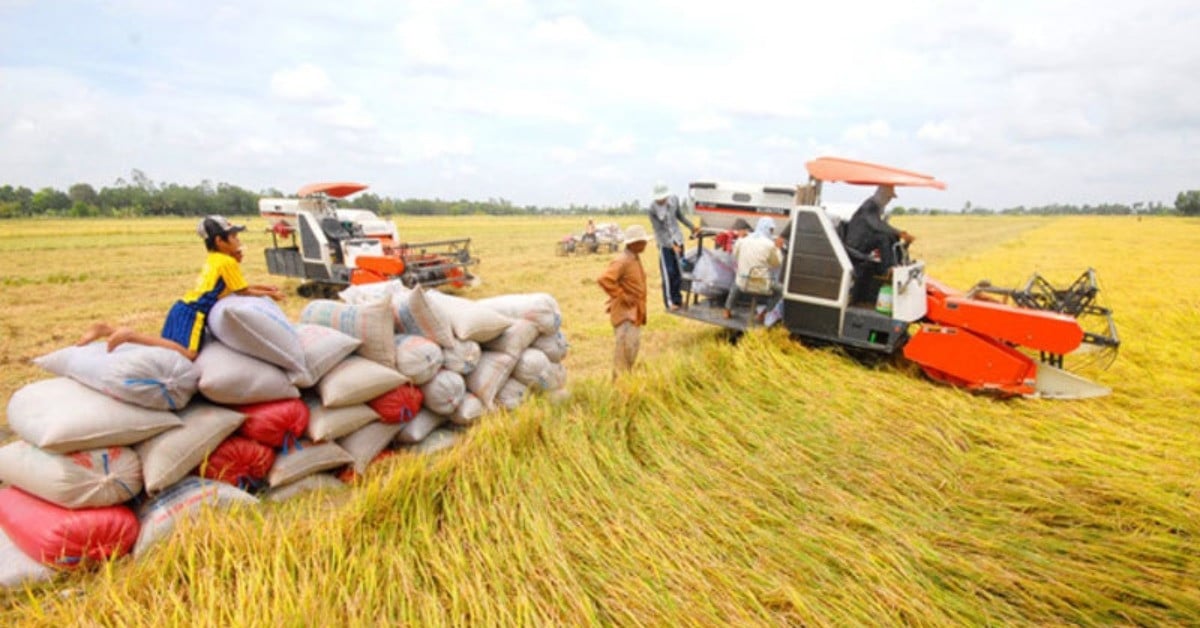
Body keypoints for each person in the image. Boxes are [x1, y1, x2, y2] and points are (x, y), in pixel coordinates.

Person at [77, 215, 285, 360]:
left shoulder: (216, 259)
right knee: (189, 355)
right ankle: (128, 335)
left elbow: (234, 288)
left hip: (182, 307)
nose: (238, 240)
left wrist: (266, 288)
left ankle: (106, 330)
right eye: (234, 237)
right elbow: (243, 292)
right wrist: (270, 296)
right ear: (220, 240)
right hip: (194, 314)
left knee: (168, 349)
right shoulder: (227, 262)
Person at [842, 184, 914, 303]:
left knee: (891, 236)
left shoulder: (876, 207)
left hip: (863, 241)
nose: (888, 200)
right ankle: (887, 268)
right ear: (881, 195)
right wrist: (900, 233)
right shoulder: (869, 206)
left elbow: (881, 226)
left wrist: (898, 235)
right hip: (855, 244)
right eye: (888, 197)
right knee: (883, 237)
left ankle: (897, 263)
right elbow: (877, 225)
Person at [597, 225, 649, 377]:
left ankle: (625, 384)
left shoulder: (634, 258)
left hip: (634, 313)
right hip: (626, 315)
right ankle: (619, 389)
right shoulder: (623, 261)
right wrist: (621, 295)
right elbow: (604, 279)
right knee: (623, 357)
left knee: (630, 352)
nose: (645, 244)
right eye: (643, 241)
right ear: (633, 243)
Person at [647, 181, 698, 311]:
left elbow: (680, 216)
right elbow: (659, 231)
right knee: (668, 272)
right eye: (659, 199)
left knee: (679, 272)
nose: (661, 200)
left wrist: (692, 227)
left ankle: (678, 300)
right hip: (665, 244)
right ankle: (670, 302)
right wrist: (671, 245)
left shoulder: (674, 200)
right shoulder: (652, 209)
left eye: (663, 198)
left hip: (678, 239)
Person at [724, 217, 783, 322]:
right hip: (762, 285)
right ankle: (763, 314)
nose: (772, 232)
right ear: (768, 229)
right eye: (771, 230)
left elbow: (735, 255)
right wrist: (778, 248)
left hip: (744, 282)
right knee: (781, 291)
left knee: (736, 284)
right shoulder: (770, 245)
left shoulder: (742, 241)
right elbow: (777, 263)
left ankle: (727, 309)